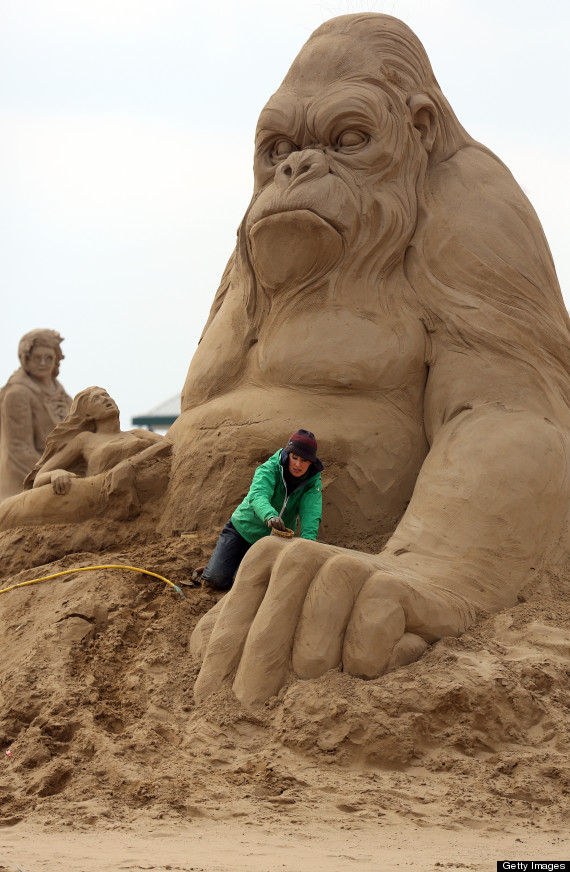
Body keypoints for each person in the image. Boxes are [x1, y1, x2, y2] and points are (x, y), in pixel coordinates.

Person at [201, 429, 324, 591]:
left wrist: (308, 542)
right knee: (216, 579)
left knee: (243, 584)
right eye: (294, 458)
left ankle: (233, 568)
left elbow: (311, 512)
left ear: (311, 462)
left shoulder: (312, 482)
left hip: (273, 541)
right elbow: (258, 495)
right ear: (288, 455)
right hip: (241, 530)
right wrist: (270, 516)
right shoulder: (270, 468)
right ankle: (215, 567)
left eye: (304, 460)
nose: (298, 465)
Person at [24, 385, 163, 493]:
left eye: (106, 395)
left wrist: (128, 465)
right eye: (96, 399)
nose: (105, 399)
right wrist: (56, 473)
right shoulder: (85, 439)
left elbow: (167, 444)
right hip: (97, 495)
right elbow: (39, 479)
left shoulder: (137, 433)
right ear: (88, 415)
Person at [0, 329, 72, 501]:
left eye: (49, 358)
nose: (43, 363)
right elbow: (19, 450)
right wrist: (50, 472)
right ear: (25, 359)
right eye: (36, 358)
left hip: (66, 473)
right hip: (28, 484)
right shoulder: (17, 394)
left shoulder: (62, 394)